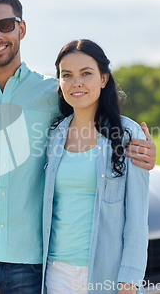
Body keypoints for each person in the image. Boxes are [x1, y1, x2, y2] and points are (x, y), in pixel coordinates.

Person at [0, 0, 156, 294]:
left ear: (21, 28)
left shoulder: (52, 95)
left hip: (32, 269)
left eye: (5, 24)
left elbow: (95, 122)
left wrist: (142, 150)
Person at [42, 39, 149, 294]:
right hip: (56, 274)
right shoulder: (53, 135)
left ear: (103, 79)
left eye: (86, 73)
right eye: (67, 75)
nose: (76, 82)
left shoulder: (128, 134)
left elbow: (137, 217)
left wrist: (129, 281)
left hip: (107, 276)